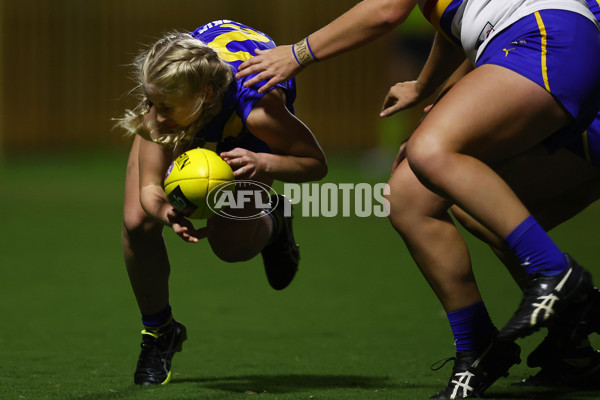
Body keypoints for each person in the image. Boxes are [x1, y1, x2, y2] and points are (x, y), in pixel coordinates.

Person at [235, 0, 600, 397]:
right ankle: (484, 347)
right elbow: (457, 28)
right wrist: (426, 88)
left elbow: (386, 10)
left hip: (550, 40)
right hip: (532, 46)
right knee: (411, 194)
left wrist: (297, 53)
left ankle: (558, 277)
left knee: (432, 153)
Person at [114, 19, 327, 386]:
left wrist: (264, 163)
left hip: (242, 132)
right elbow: (150, 188)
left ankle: (274, 221)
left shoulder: (259, 110)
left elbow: (315, 165)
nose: (155, 117)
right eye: (151, 103)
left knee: (231, 246)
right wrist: (167, 212)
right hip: (200, 108)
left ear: (205, 96)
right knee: (137, 222)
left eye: (164, 107)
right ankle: (159, 332)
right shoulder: (166, 96)